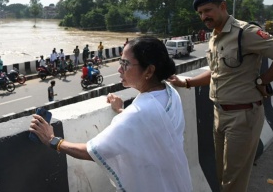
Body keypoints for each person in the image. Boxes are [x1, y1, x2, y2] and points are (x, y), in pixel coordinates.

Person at [168, 0, 273, 192]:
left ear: (223, 6)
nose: (203, 16)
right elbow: (217, 73)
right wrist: (187, 83)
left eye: (208, 10)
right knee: (222, 174)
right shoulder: (215, 37)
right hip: (220, 114)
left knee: (233, 180)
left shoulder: (246, 33)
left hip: (243, 115)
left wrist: (262, 80)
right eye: (200, 13)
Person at [29, 36, 192, 191]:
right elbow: (151, 125)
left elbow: (92, 151)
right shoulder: (170, 94)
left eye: (125, 64)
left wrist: (52, 140)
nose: (119, 69)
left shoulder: (138, 114)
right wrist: (121, 110)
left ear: (148, 71)